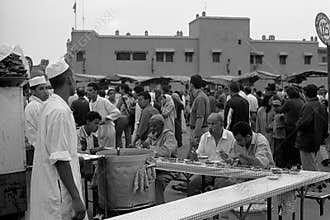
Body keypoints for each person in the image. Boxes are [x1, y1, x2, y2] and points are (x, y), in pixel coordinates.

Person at [30, 59, 86, 220]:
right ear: (69, 79)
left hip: (53, 188)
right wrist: (76, 198)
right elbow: (60, 159)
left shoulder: (52, 105)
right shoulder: (59, 111)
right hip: (58, 194)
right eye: (74, 78)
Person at [187, 113, 235, 196]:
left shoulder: (231, 136)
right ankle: (194, 207)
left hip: (223, 172)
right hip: (207, 171)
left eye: (213, 124)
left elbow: (234, 158)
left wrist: (228, 158)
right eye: (208, 123)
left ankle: (217, 207)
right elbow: (199, 155)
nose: (210, 126)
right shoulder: (204, 137)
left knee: (220, 186)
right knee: (192, 183)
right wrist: (194, 156)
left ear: (221, 124)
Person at [142, 114, 177, 204]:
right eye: (151, 126)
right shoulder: (152, 134)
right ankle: (146, 203)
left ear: (161, 125)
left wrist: (150, 147)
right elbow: (144, 149)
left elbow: (166, 152)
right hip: (154, 167)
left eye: (155, 126)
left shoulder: (169, 135)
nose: (152, 128)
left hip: (168, 168)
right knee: (141, 176)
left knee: (158, 180)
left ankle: (159, 204)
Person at [295, 84, 328, 171]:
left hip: (307, 140)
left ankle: (315, 184)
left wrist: (297, 125)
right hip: (317, 139)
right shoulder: (322, 106)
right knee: (313, 163)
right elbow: (325, 124)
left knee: (309, 167)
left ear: (305, 93)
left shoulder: (308, 106)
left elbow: (303, 123)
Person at [274, 86, 304, 168]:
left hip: (289, 127)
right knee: (296, 145)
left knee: (289, 146)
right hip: (298, 126)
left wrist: (278, 104)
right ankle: (298, 162)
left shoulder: (289, 102)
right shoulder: (301, 101)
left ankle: (290, 163)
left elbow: (279, 110)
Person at [86, 82, 121, 149]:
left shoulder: (104, 101)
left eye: (90, 90)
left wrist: (106, 119)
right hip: (98, 131)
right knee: (100, 152)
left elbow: (117, 113)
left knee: (109, 152)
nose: (88, 92)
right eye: (87, 90)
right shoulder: (90, 103)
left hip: (108, 129)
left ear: (96, 91)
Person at [189, 74, 210, 158]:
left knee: (194, 157)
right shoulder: (200, 97)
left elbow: (200, 118)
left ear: (192, 84)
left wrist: (195, 136)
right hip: (199, 130)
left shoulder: (200, 98)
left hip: (199, 130)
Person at [25, 75, 49, 148]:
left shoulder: (39, 104)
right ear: (33, 91)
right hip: (37, 148)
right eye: (41, 89)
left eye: (46, 88)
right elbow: (44, 130)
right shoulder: (34, 106)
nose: (45, 92)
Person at [116, 84, 134, 148]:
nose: (119, 90)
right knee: (128, 137)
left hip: (122, 118)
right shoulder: (131, 97)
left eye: (120, 89)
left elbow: (117, 108)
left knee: (118, 136)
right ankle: (128, 150)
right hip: (130, 118)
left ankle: (119, 149)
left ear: (123, 90)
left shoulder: (122, 98)